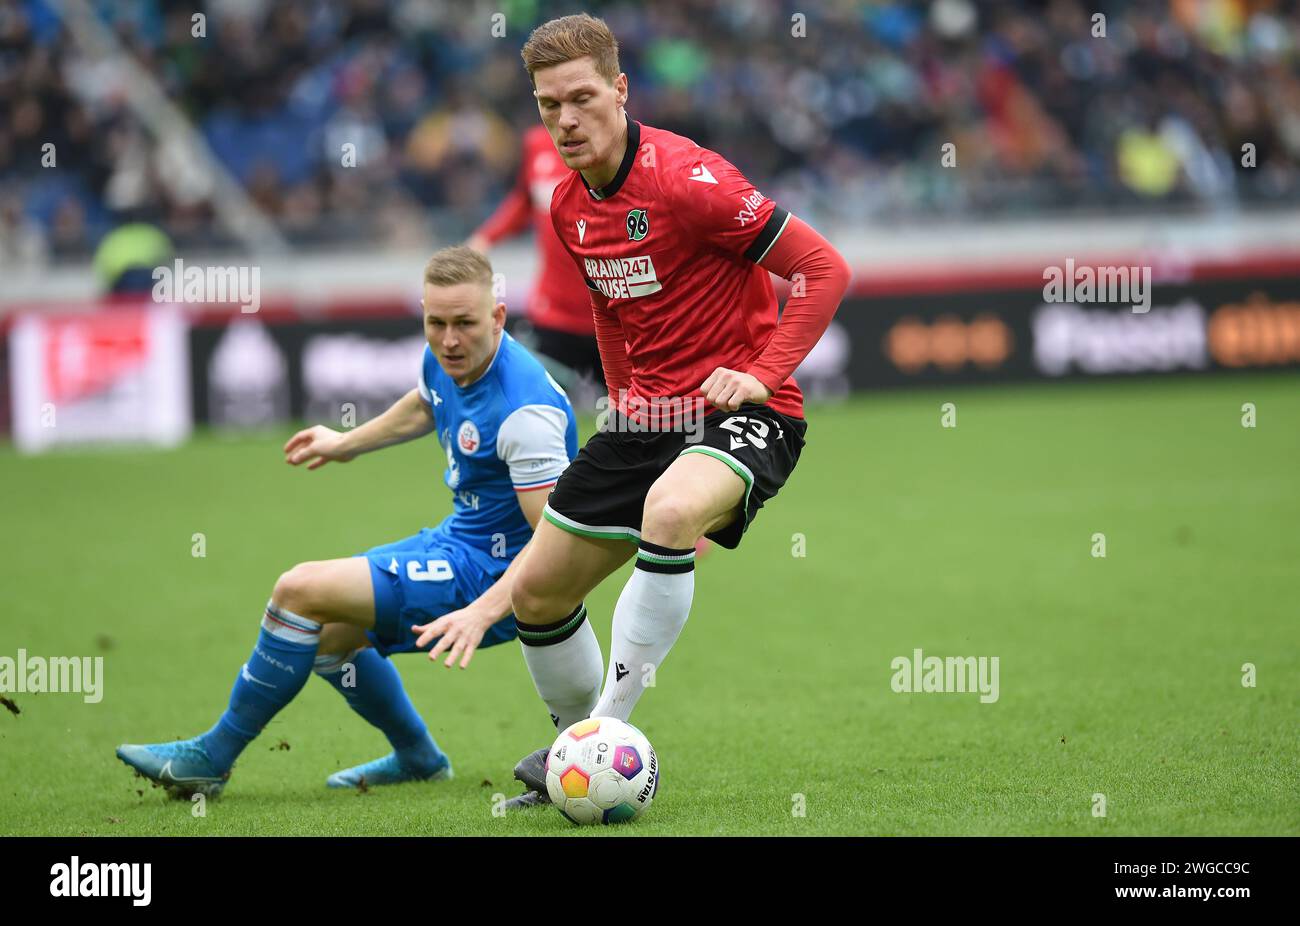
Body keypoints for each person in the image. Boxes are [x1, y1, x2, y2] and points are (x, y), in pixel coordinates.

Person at [502, 14, 852, 807]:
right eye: (548, 104)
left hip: (745, 413)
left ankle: (605, 734)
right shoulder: (566, 207)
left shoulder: (691, 181)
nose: (565, 118)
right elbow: (609, 306)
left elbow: (824, 269)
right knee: (538, 594)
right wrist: (621, 391)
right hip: (646, 418)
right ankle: (570, 755)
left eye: (583, 97)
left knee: (671, 511)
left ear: (620, 91)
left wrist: (762, 372)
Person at [116, 246, 579, 797]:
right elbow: (426, 401)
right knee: (330, 632)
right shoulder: (447, 357)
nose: (449, 339)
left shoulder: (525, 412)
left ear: (498, 319)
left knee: (298, 591)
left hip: (499, 577)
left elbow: (555, 540)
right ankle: (418, 757)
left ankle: (210, 758)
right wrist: (346, 444)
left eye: (465, 324)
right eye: (436, 323)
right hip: (460, 543)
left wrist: (481, 613)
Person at [467, 124, 605, 411]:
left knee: (638, 426)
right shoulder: (536, 143)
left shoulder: (615, 142)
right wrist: (485, 238)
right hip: (553, 314)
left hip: (612, 314)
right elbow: (525, 199)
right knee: (531, 412)